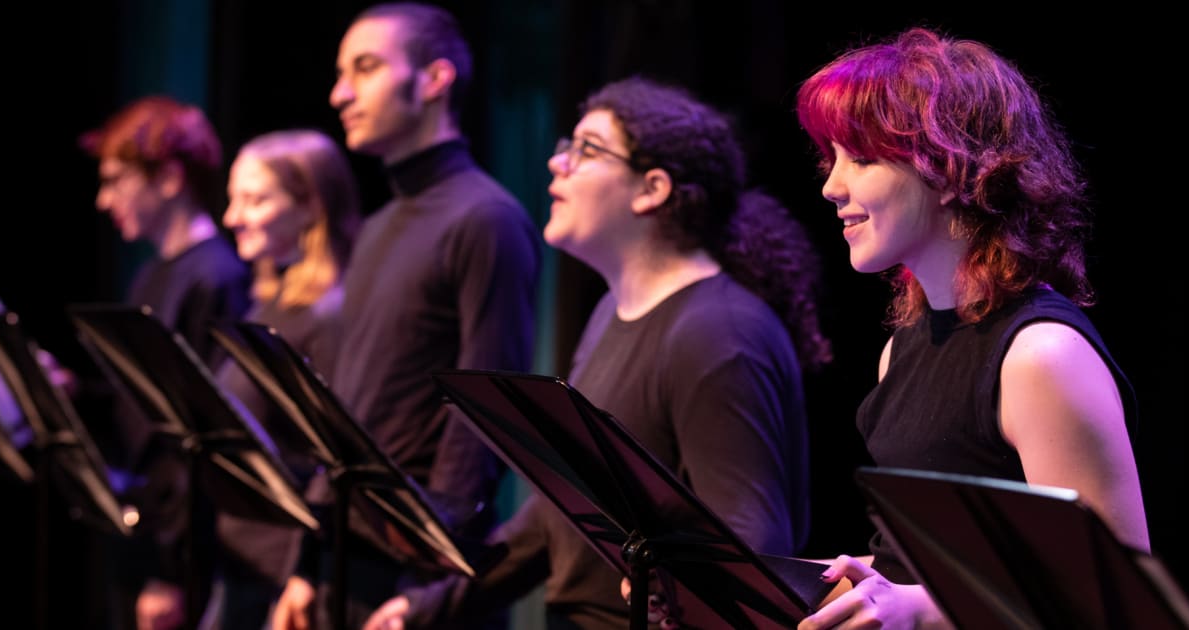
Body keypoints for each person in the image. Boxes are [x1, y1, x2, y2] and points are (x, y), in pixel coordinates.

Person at [361, 76, 832, 630]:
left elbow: (751, 556)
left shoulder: (719, 334)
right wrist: (424, 609)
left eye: (586, 150)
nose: (557, 165)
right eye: (567, 146)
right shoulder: (613, 309)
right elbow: (564, 513)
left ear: (651, 188)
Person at [792, 27, 1148, 629]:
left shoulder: (1041, 356)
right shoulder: (900, 349)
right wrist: (875, 587)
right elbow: (947, 570)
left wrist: (919, 612)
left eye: (863, 158)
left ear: (952, 166)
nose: (831, 186)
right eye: (832, 160)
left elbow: (1114, 601)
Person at [269, 3, 541, 629]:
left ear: (434, 80)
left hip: (414, 572)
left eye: (364, 69)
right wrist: (308, 562)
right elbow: (348, 404)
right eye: (341, 73)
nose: (341, 94)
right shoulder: (380, 223)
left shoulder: (485, 218)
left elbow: (487, 412)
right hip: (346, 552)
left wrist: (427, 591)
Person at [132, 129, 362, 630]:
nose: (232, 217)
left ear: (310, 207)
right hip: (242, 560)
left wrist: (305, 572)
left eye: (255, 200)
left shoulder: (328, 316)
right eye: (234, 198)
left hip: (282, 574)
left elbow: (332, 461)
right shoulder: (268, 303)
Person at [78, 95, 252, 629]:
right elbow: (141, 405)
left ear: (170, 179)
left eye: (117, 180)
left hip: (180, 550)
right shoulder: (152, 274)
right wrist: (75, 390)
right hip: (144, 528)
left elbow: (196, 435)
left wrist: (172, 571)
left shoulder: (216, 278)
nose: (103, 200)